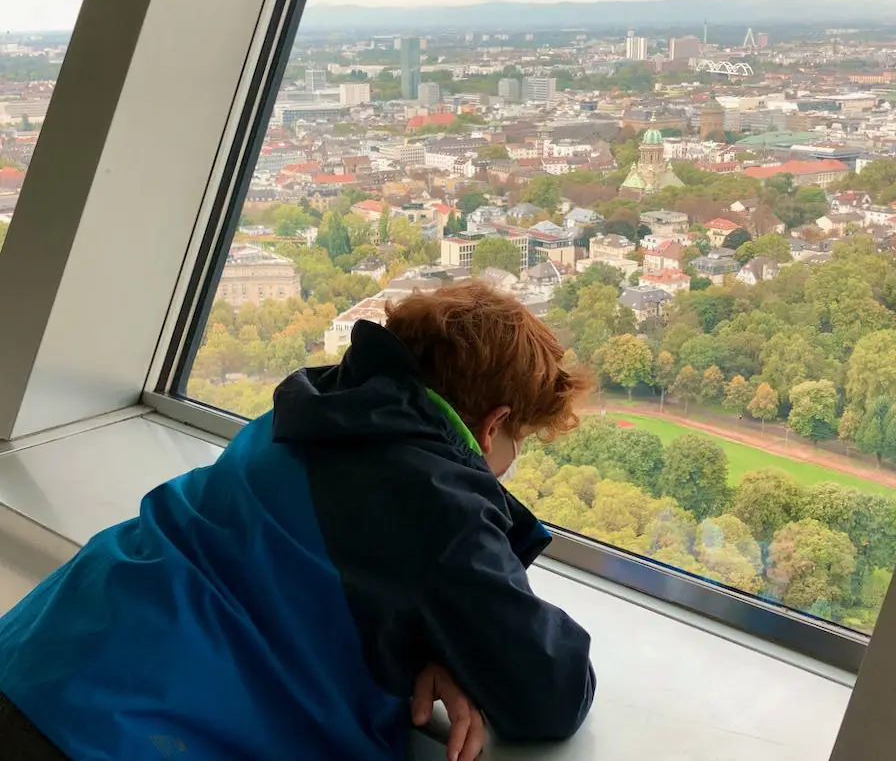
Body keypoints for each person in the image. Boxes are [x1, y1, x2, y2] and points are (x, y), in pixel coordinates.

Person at [0, 280, 597, 760]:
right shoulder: (439, 507)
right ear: (492, 426)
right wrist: (463, 639)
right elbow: (551, 692)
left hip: (40, 654)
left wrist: (428, 640)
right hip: (110, 733)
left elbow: (304, 573)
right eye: (518, 440)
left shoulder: (308, 411)